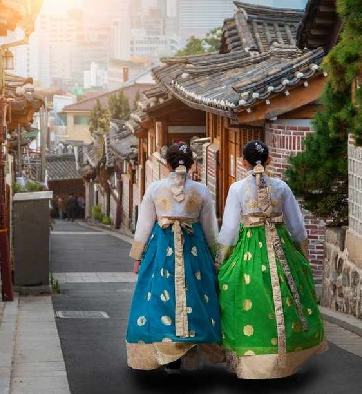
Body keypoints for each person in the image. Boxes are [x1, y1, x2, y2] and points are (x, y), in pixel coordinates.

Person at [216, 140, 326, 379]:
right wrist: (301, 252)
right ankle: (285, 360)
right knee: (288, 295)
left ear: (243, 162)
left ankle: (253, 361)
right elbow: (297, 225)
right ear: (269, 160)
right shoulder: (281, 186)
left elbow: (230, 228)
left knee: (244, 296)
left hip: (249, 251)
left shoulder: (237, 188)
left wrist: (222, 259)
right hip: (280, 246)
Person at [125, 142, 222, 372]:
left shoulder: (155, 188)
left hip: (161, 250)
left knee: (160, 298)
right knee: (195, 297)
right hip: (194, 251)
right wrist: (216, 256)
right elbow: (210, 229)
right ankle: (189, 349)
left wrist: (138, 257)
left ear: (167, 164)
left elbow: (144, 225)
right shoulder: (201, 190)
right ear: (191, 165)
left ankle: (166, 349)